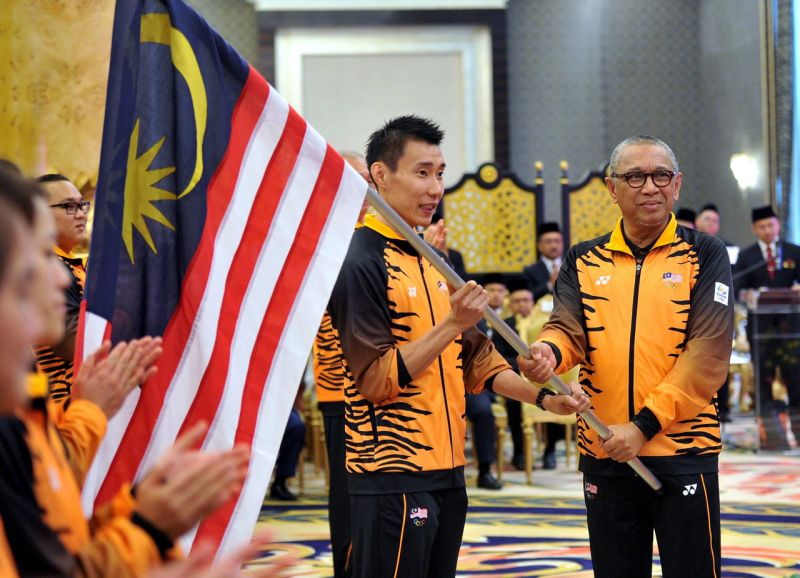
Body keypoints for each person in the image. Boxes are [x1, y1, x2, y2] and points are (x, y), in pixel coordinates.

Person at [328, 115, 588, 578]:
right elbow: (376, 380)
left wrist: (548, 398)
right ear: (381, 176)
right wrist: (451, 323)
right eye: (422, 172)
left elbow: (480, 364)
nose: (435, 188)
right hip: (392, 474)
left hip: (449, 469)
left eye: (440, 173)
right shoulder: (357, 261)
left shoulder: (433, 260)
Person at [520, 135, 733, 578]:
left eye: (660, 176)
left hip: (683, 450)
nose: (649, 187)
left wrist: (643, 427)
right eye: (634, 176)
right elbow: (567, 330)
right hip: (606, 448)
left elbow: (708, 356)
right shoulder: (582, 259)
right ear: (611, 188)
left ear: (677, 185)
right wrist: (547, 353)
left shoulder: (704, 253)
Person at [312, 150, 371, 576]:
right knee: (347, 493)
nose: (367, 185)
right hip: (341, 386)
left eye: (370, 176)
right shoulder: (321, 235)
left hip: (385, 382)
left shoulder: (378, 230)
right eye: (357, 177)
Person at [734, 205, 800, 448]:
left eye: (771, 225)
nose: (767, 230)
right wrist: (749, 294)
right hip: (761, 333)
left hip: (791, 331)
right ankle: (772, 438)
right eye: (762, 227)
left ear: (778, 226)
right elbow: (738, 288)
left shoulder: (794, 251)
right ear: (754, 229)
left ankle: (799, 432)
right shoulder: (747, 257)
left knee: (796, 380)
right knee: (763, 382)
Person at [33, 173, 90, 403]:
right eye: (69, 206)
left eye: (82, 205)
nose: (81, 214)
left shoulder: (72, 264)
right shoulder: (41, 266)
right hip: (66, 408)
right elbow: (72, 343)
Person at [521, 222, 563, 301]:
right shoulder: (530, 271)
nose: (553, 246)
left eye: (557, 241)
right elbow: (528, 297)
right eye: (548, 242)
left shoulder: (573, 267)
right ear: (540, 246)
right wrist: (550, 285)